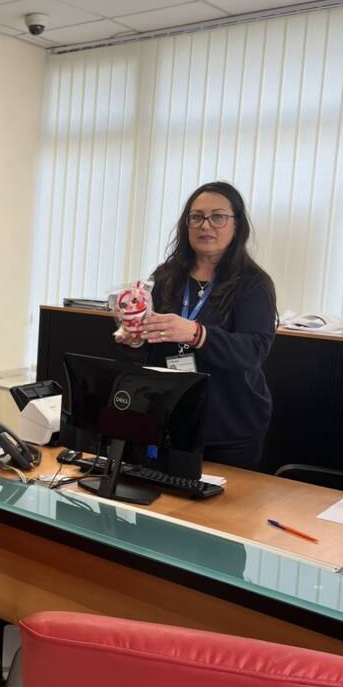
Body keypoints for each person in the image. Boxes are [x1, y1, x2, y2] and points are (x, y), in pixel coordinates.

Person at [118, 181, 277, 470]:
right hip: (170, 418)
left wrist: (197, 334)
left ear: (237, 225)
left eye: (218, 217)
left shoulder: (253, 284)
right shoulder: (166, 276)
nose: (206, 225)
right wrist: (135, 338)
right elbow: (150, 350)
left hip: (229, 427)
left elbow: (253, 351)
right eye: (197, 217)